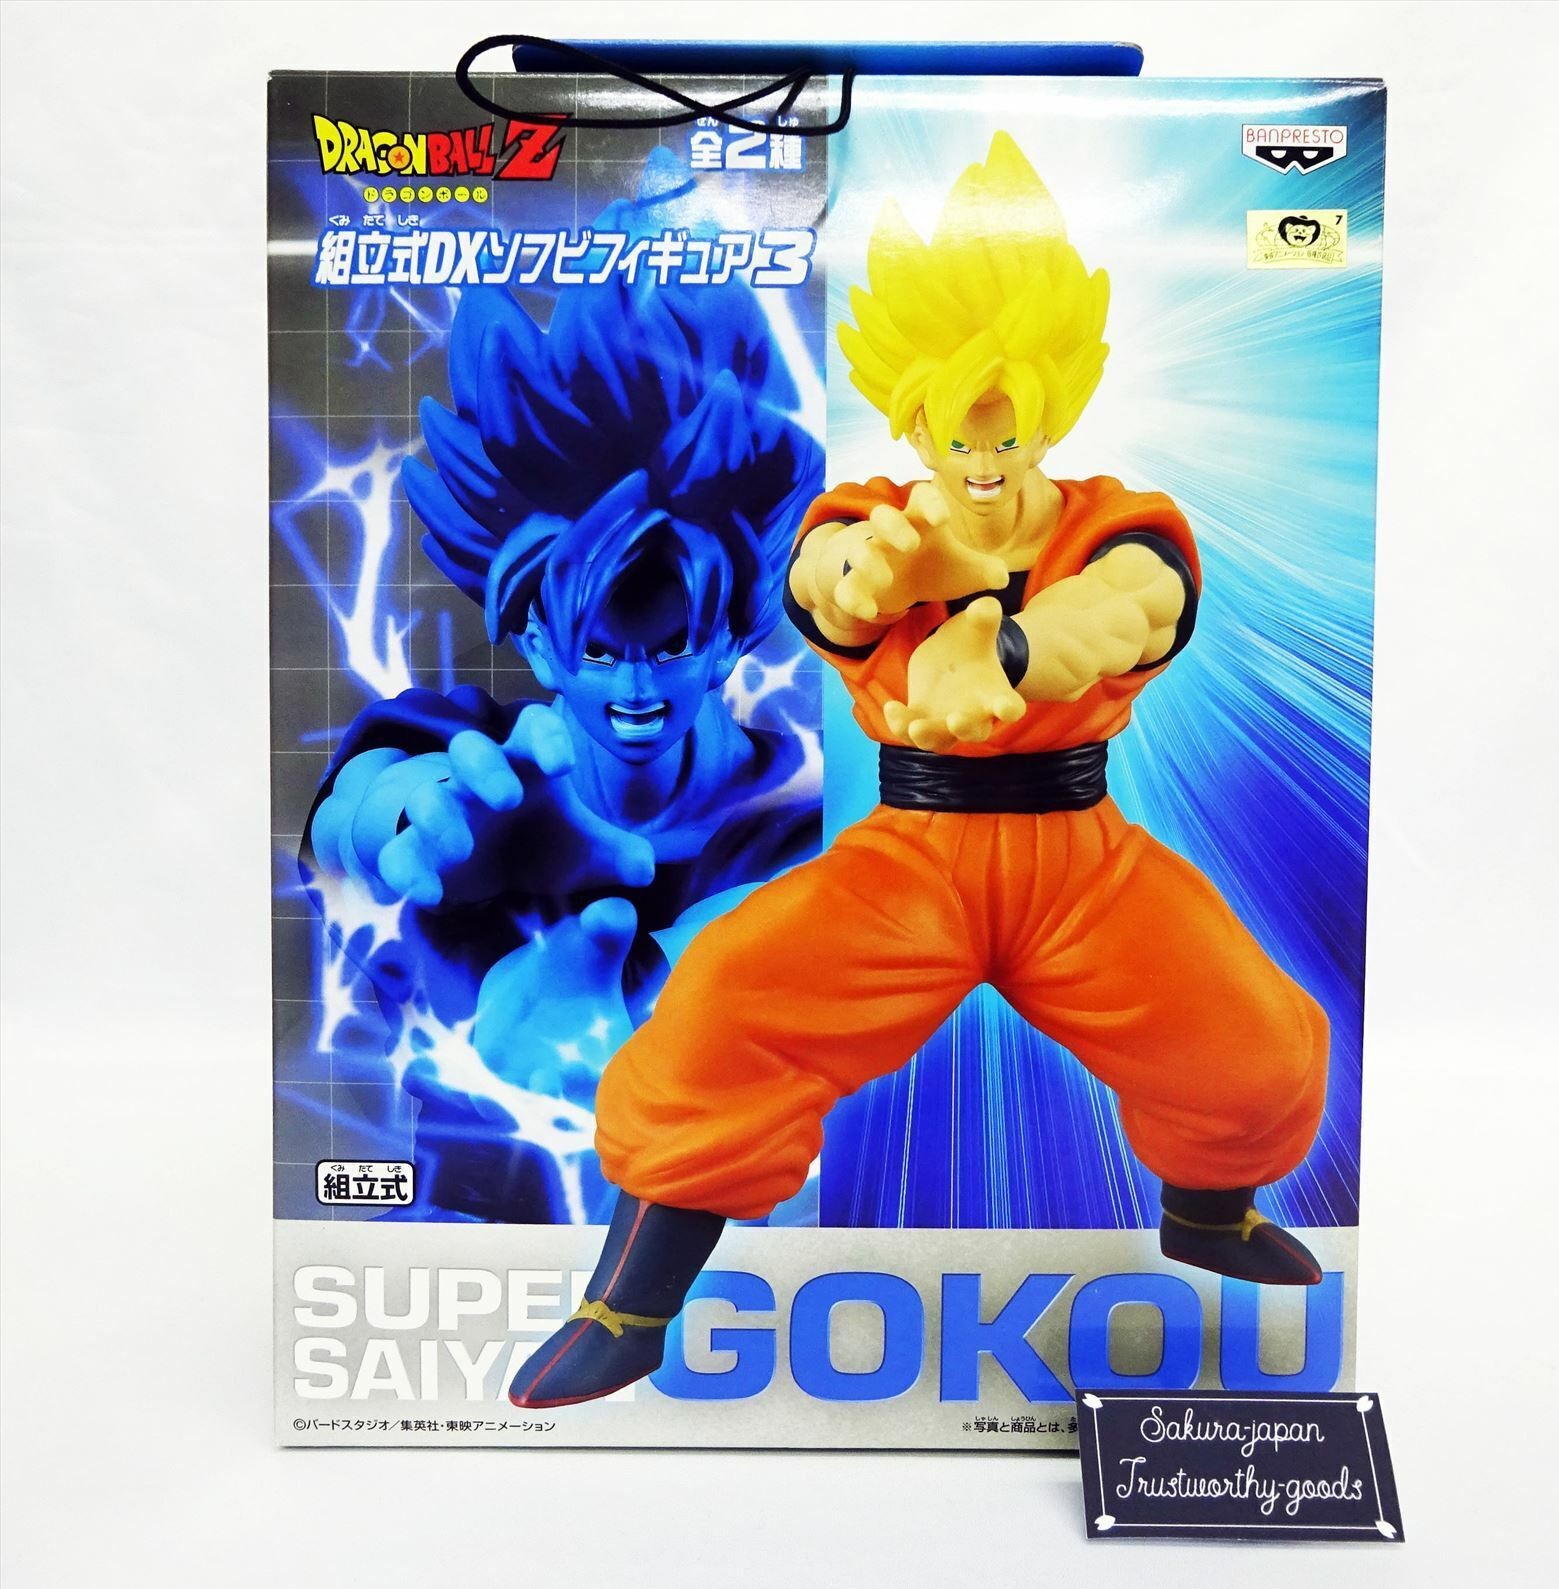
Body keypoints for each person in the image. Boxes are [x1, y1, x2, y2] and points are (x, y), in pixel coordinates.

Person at [510, 132, 1330, 1407]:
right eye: (958, 428)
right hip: (914, 860)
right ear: (911, 409)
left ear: (1058, 402)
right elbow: (825, 585)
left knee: (1255, 1041)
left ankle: (1208, 1218)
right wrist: (885, 577)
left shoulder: (1120, 524)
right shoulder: (863, 519)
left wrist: (1011, 646)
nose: (984, 459)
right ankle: (627, 1304)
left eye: (1011, 426)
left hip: (1082, 861)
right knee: (722, 1002)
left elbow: (1131, 606)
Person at [302, 164, 823, 1224]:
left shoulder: (809, 820)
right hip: (459, 1256)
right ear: (538, 639)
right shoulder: (478, 757)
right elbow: (355, 813)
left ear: (731, 636)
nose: (634, 688)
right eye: (598, 650)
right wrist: (410, 823)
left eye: (669, 647)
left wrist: (654, 1001)